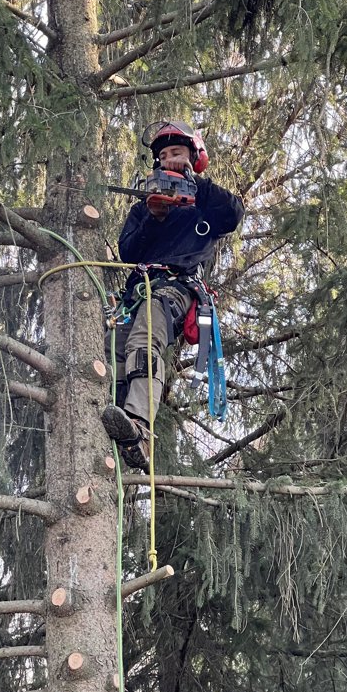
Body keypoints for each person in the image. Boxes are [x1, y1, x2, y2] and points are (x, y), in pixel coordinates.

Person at [102, 119, 244, 471]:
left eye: (176, 152)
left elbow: (233, 214)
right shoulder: (144, 208)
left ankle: (140, 424)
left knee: (147, 333)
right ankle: (114, 419)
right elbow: (128, 251)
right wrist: (154, 217)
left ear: (194, 157)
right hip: (137, 290)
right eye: (164, 156)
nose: (169, 160)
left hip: (176, 288)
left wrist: (195, 183)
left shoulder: (205, 205)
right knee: (113, 346)